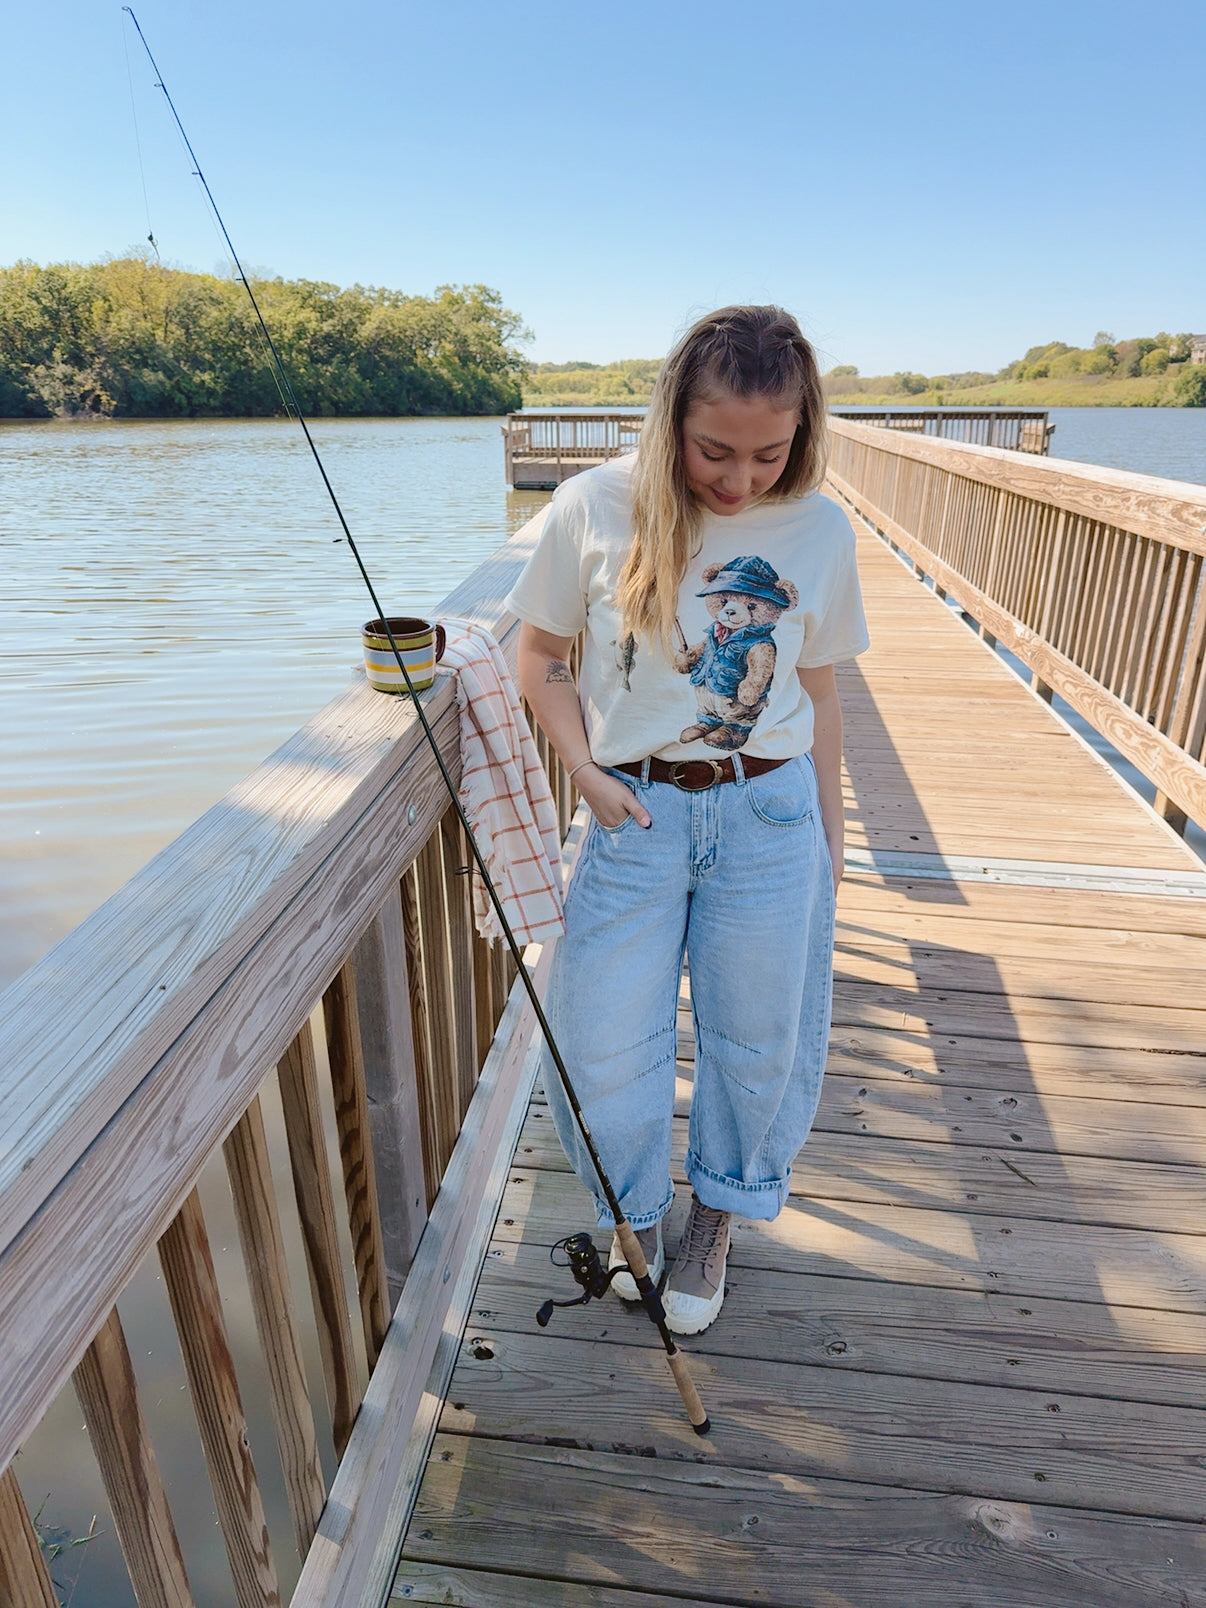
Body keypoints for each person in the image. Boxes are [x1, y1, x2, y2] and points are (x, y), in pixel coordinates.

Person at [506, 305, 869, 1335]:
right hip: (638, 813)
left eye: (769, 452)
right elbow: (537, 661)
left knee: (758, 1039)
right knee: (601, 1036)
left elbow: (824, 693)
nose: (740, 478)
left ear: (803, 432)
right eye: (716, 450)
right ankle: (635, 1214)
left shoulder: (819, 528)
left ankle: (716, 1215)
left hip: (770, 812)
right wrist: (582, 767)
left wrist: (831, 848)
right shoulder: (592, 506)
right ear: (672, 420)